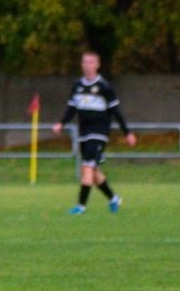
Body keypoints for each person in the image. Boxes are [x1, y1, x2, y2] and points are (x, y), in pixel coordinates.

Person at [52, 50, 136, 214]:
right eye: (85, 62)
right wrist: (61, 123)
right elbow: (71, 109)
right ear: (81, 64)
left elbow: (116, 112)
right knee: (93, 170)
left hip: (99, 133)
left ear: (97, 65)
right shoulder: (77, 86)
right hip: (84, 133)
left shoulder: (104, 87)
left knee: (86, 167)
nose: (88, 66)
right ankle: (113, 198)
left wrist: (127, 132)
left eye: (91, 62)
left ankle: (81, 206)